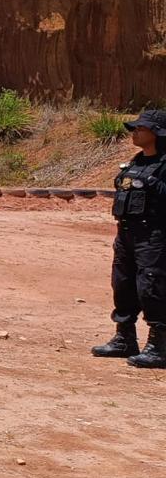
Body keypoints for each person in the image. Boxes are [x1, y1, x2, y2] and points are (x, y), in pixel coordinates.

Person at [92, 109, 166, 368]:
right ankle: (125, 338)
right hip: (126, 234)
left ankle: (159, 346)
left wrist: (151, 184)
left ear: (156, 133)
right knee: (122, 284)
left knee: (152, 287)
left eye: (140, 129)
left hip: (154, 235)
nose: (134, 132)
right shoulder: (136, 162)